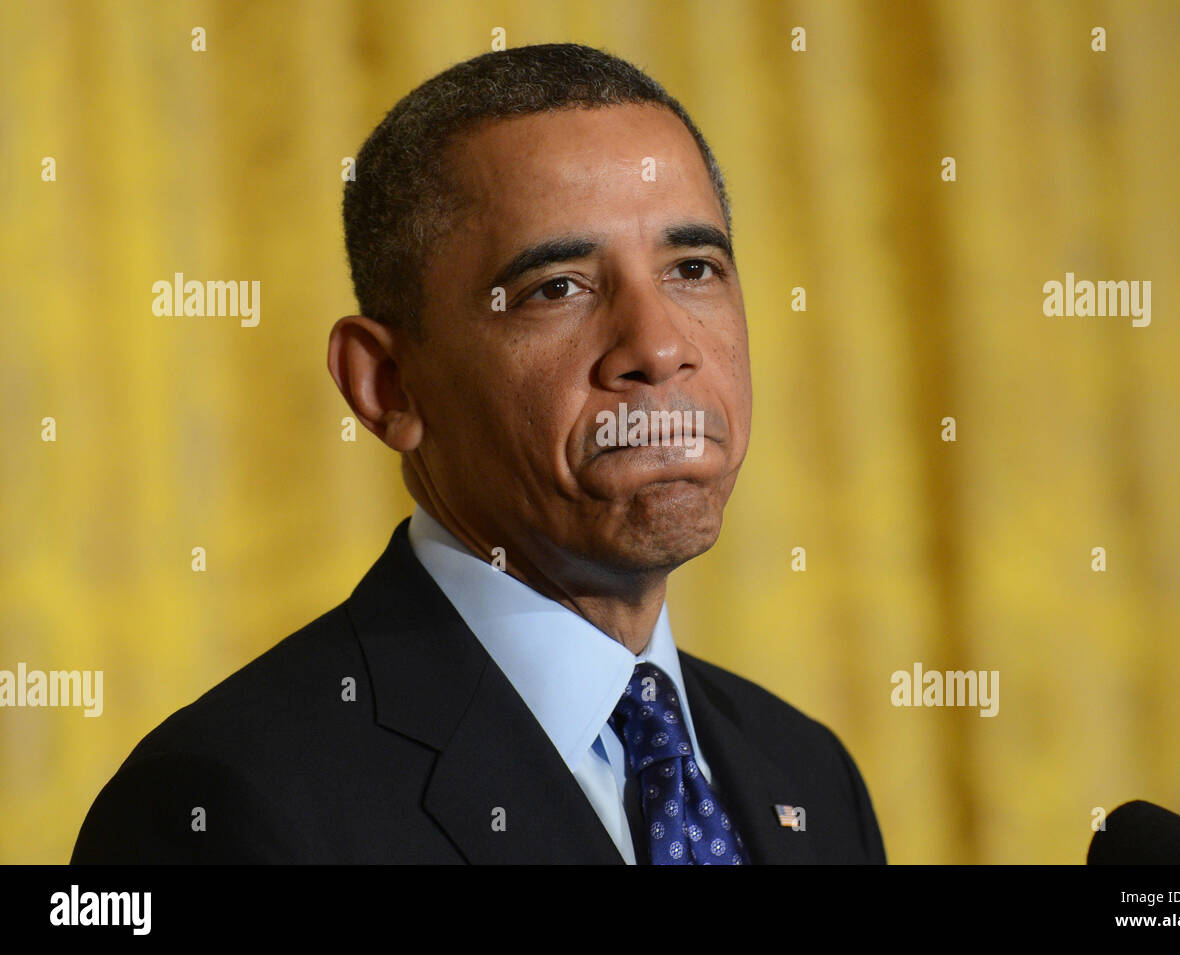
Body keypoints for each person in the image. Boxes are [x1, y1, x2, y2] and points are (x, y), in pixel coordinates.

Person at [72, 42, 886, 865]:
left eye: (692, 267)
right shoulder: (223, 802)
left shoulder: (809, 774)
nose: (659, 345)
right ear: (387, 385)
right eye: (557, 287)